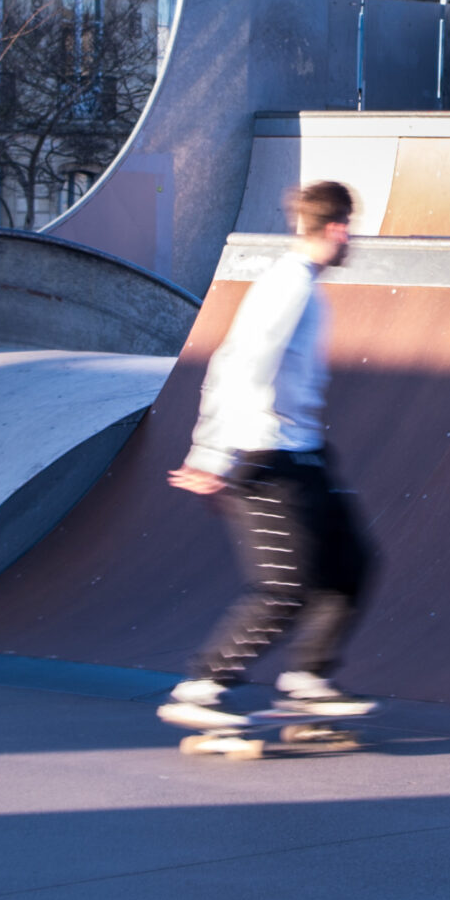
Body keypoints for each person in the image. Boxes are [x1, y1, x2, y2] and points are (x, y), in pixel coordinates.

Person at [159, 180, 377, 732]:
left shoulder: (308, 288)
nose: (352, 237)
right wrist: (210, 453)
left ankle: (307, 680)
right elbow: (240, 362)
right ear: (337, 228)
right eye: (349, 226)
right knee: (287, 585)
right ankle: (202, 687)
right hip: (264, 457)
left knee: (351, 565)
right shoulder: (287, 286)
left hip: (305, 457)